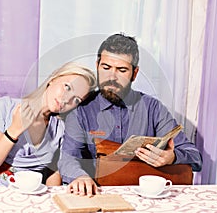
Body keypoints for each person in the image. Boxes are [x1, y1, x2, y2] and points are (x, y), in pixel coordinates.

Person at [58, 33, 203, 196]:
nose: (111, 77)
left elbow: (195, 157)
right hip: (98, 197)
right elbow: (68, 159)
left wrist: (172, 157)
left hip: (147, 201)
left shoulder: (153, 108)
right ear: (97, 65)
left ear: (134, 73)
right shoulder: (81, 110)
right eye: (106, 67)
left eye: (122, 70)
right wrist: (80, 177)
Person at [0, 62, 97, 187]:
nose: (67, 99)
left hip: (26, 201)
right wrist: (14, 131)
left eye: (76, 99)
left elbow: (53, 172)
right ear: (53, 78)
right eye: (67, 87)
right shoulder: (5, 107)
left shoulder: (60, 130)